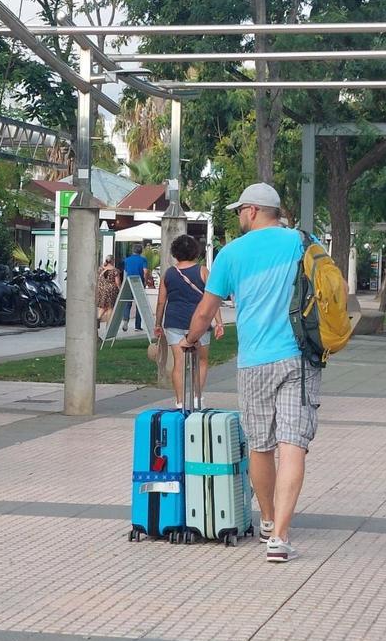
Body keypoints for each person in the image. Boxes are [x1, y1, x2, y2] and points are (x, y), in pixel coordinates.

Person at [177, 183, 316, 564]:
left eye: (240, 210)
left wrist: (190, 339)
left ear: (253, 211)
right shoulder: (302, 241)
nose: (239, 216)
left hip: (254, 361)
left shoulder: (231, 254)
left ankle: (269, 520)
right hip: (299, 357)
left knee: (261, 445)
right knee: (293, 444)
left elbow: (206, 311)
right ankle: (281, 538)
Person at [154, 235, 225, 408]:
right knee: (201, 360)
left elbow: (161, 301)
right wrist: (219, 323)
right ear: (195, 251)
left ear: (175, 253)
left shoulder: (168, 274)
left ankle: (179, 401)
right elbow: (212, 298)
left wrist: (157, 323)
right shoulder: (203, 271)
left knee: (179, 362)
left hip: (174, 321)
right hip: (200, 323)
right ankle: (197, 398)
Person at [120, 244, 150, 332]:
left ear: (133, 250)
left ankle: (125, 320)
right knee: (139, 305)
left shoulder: (127, 260)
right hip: (138, 282)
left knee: (127, 303)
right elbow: (145, 271)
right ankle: (137, 325)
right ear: (141, 251)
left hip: (129, 282)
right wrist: (146, 280)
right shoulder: (143, 259)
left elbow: (125, 271)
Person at [96, 256, 121, 323]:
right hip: (111, 290)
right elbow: (117, 282)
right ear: (113, 261)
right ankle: (108, 325)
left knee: (103, 306)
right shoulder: (115, 270)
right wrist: (120, 290)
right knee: (110, 307)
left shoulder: (100, 269)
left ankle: (97, 319)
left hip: (101, 289)